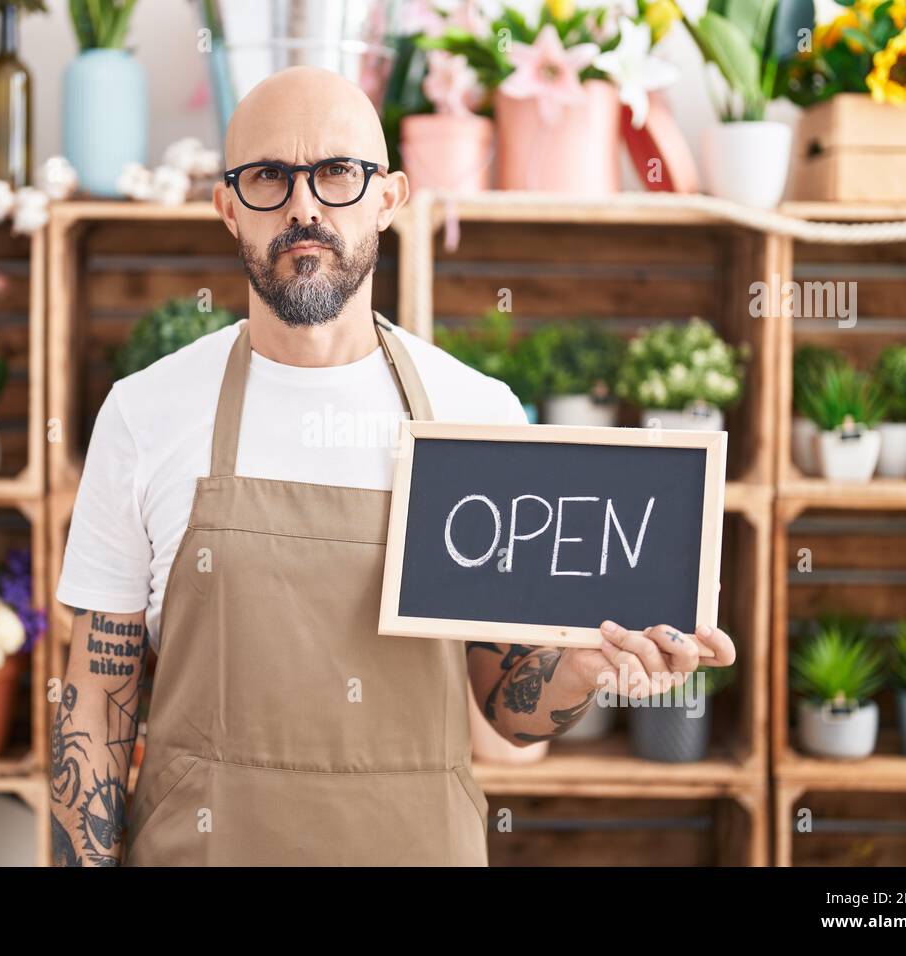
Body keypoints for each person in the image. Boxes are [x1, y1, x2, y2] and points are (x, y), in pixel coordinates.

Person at [49, 65, 736, 866]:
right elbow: (94, 704)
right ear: (227, 207)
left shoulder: (476, 414)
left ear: (389, 198)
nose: (304, 206)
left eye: (338, 173)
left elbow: (507, 709)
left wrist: (581, 669)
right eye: (269, 176)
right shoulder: (144, 414)